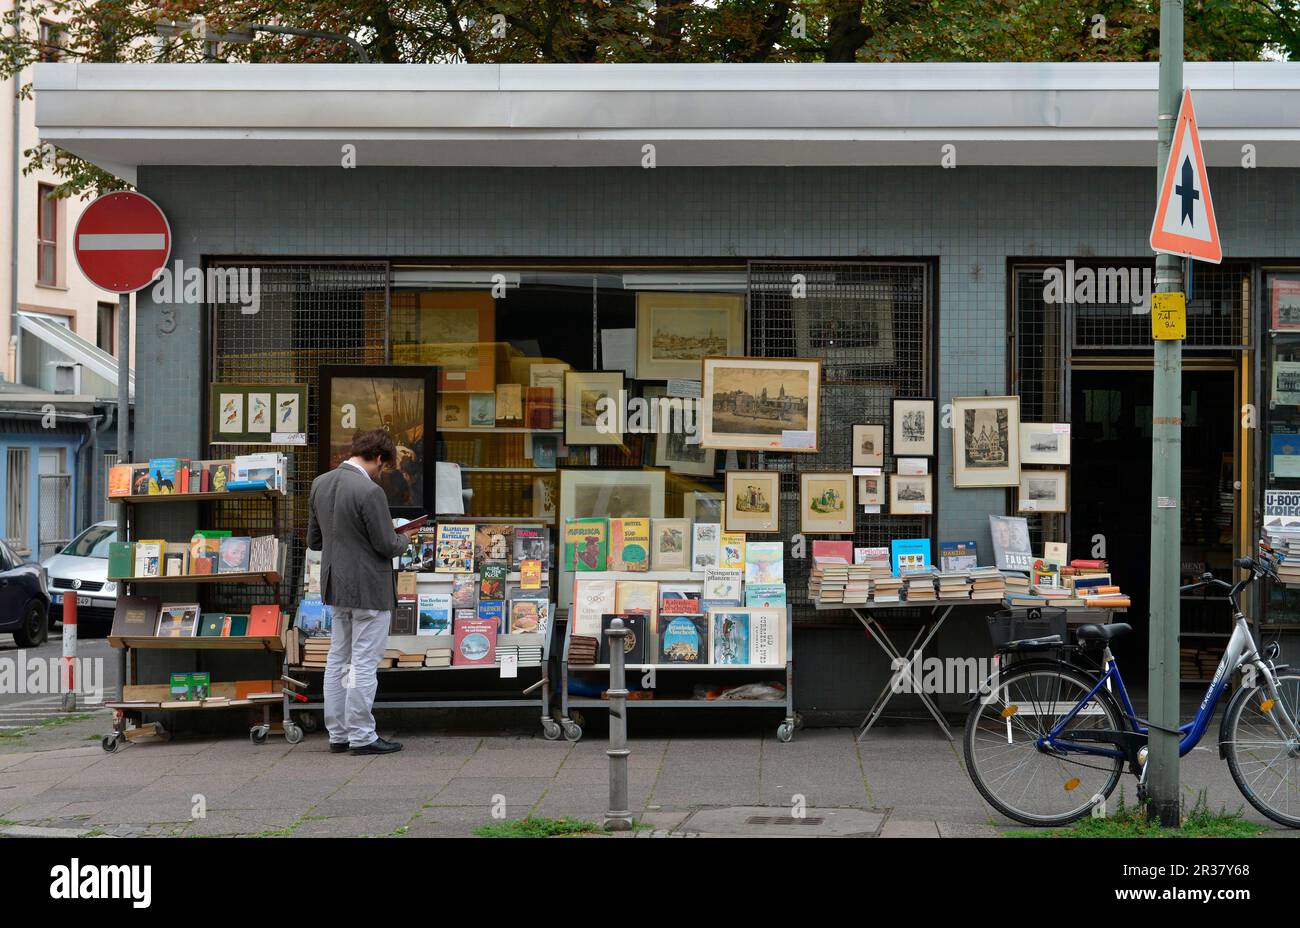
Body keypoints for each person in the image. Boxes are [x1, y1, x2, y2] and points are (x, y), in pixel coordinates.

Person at [307, 428, 423, 755]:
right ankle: (361, 735)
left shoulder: (321, 483)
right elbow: (386, 544)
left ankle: (338, 733)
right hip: (369, 588)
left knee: (338, 659)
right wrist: (406, 538)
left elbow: (314, 541)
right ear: (378, 457)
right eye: (383, 465)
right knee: (362, 663)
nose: (381, 471)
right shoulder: (370, 492)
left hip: (335, 585)